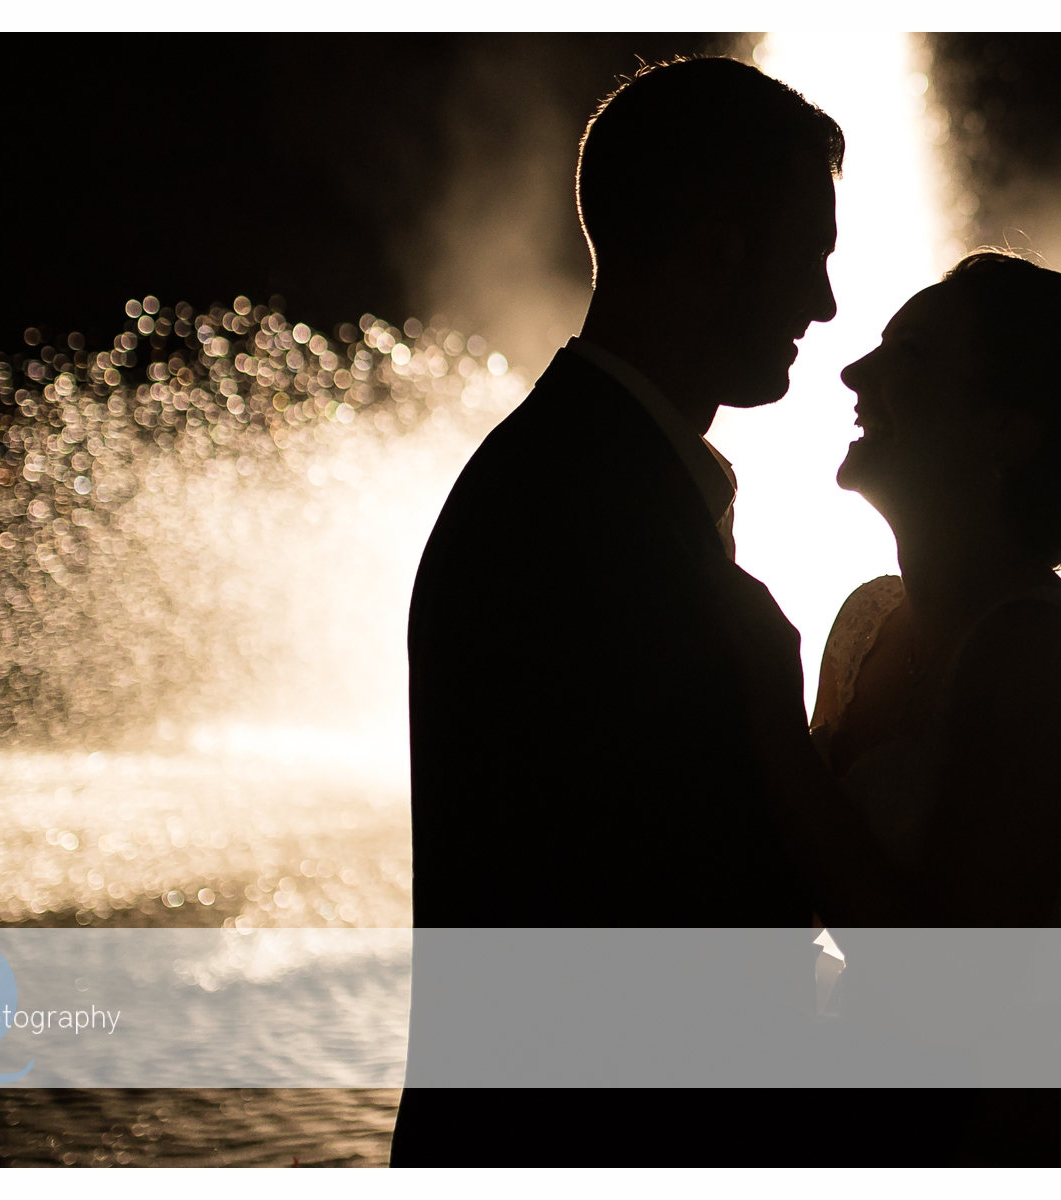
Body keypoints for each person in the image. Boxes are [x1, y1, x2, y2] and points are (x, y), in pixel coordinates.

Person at [393, 56, 842, 1165]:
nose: (824, 305)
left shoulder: (580, 474)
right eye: (810, 258)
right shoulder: (591, 513)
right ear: (721, 248)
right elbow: (676, 906)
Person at [719, 250, 1061, 1165]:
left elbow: (950, 997)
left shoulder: (1042, 655)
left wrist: (765, 719)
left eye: (909, 356)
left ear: (1009, 427)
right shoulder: (867, 621)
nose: (855, 373)